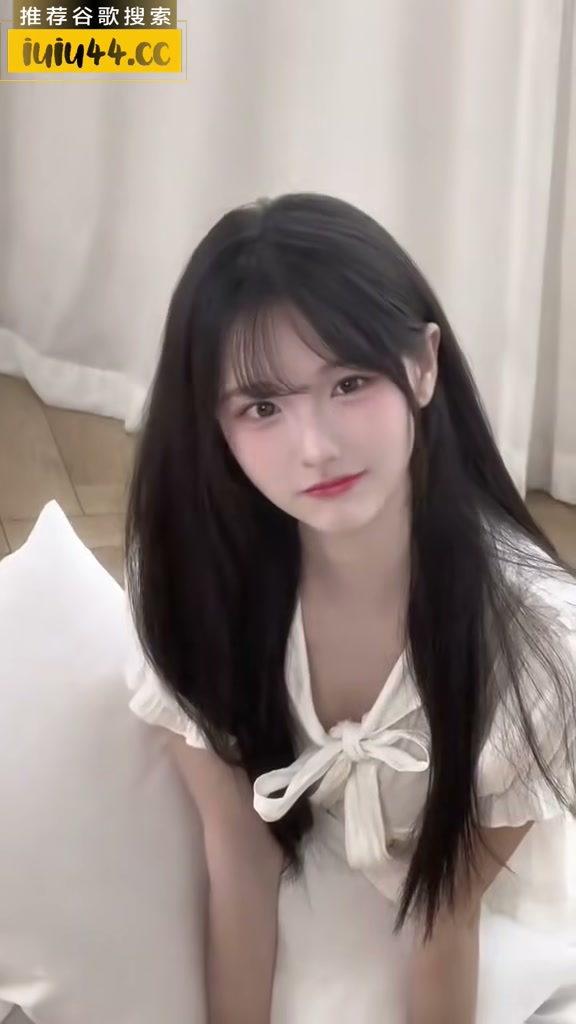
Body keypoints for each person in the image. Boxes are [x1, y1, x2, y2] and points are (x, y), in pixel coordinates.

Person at [123, 192, 576, 1024]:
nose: (316, 448)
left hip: (483, 919)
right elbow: (240, 865)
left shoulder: (539, 639)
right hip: (301, 881)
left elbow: (448, 921)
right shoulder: (193, 582)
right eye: (263, 406)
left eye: (351, 382)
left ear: (425, 366)